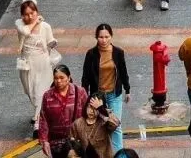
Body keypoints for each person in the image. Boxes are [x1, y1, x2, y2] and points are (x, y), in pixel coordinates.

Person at [80, 23, 129, 155]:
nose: (104, 40)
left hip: (114, 94)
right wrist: (85, 96)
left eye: (107, 37)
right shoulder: (91, 54)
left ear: (111, 36)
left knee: (115, 125)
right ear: (96, 37)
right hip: (98, 96)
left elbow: (123, 72)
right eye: (101, 37)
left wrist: (127, 89)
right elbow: (85, 77)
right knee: (98, 126)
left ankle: (119, 155)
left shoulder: (118, 52)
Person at [17, 0, 58, 131]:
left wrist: (53, 43)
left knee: (41, 92)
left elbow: (50, 40)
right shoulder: (20, 25)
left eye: (32, 13)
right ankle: (38, 112)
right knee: (30, 91)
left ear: (37, 11)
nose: (30, 16)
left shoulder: (45, 26)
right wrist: (36, 21)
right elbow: (26, 32)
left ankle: (38, 122)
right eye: (26, 14)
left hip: (43, 63)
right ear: (22, 15)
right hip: (27, 65)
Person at [38, 65, 89, 158]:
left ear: (69, 78)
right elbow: (43, 119)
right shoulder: (47, 96)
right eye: (56, 78)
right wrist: (44, 141)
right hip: (56, 144)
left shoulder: (80, 92)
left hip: (76, 142)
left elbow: (88, 114)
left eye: (62, 78)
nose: (58, 81)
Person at [67, 92, 120, 158]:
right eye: (89, 107)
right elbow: (71, 143)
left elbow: (115, 123)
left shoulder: (104, 122)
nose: (91, 111)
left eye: (95, 108)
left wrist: (101, 108)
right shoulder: (77, 123)